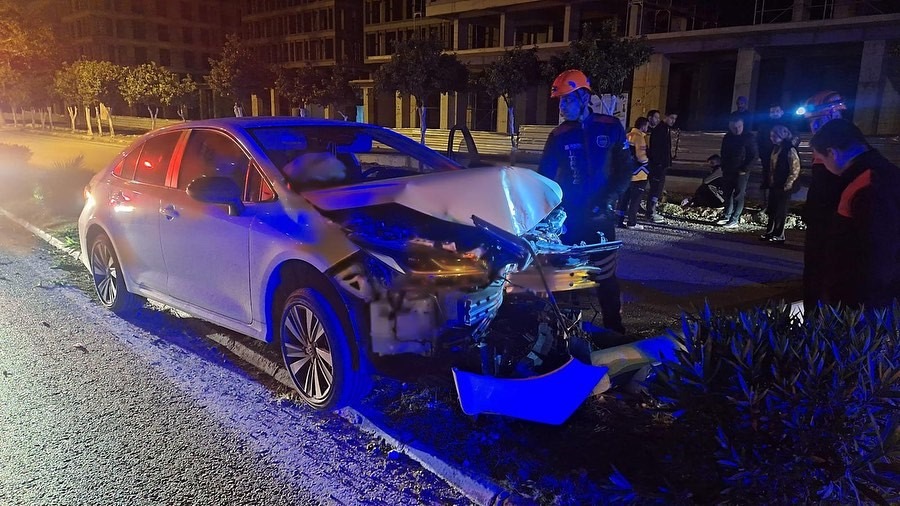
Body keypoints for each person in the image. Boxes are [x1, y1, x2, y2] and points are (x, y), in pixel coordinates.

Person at [539, 69, 634, 334]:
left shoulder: (610, 127)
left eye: (567, 99)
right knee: (564, 279)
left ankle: (615, 330)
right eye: (560, 101)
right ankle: (564, 334)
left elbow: (625, 170)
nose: (562, 106)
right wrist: (547, 211)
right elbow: (544, 178)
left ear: (584, 97)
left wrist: (607, 200)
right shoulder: (558, 135)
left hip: (601, 218)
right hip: (569, 219)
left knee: (605, 277)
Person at [808, 119, 900, 308]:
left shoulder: (867, 184)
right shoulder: (885, 173)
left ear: (832, 153)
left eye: (822, 160)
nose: (824, 166)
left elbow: (877, 252)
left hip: (862, 300)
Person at [800, 91, 848, 314]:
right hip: (821, 223)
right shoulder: (825, 148)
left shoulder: (839, 149)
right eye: (812, 122)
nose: (814, 127)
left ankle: (818, 321)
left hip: (829, 226)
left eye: (817, 121)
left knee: (822, 278)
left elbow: (829, 191)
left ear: (833, 117)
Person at [716, 114, 758, 228]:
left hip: (741, 171)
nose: (737, 129)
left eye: (739, 126)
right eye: (734, 127)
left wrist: (745, 169)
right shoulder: (728, 137)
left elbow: (753, 155)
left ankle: (735, 218)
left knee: (739, 194)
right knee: (727, 193)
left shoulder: (748, 137)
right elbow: (724, 153)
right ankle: (727, 215)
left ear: (743, 125)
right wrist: (723, 166)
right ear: (730, 126)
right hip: (728, 169)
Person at [760, 125, 800, 243]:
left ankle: (779, 234)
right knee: (772, 209)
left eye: (774, 136)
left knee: (780, 210)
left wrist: (789, 183)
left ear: (781, 136)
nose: (771, 138)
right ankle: (770, 232)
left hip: (784, 185)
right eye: (771, 136)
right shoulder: (776, 148)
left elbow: (795, 168)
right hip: (775, 183)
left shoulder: (789, 149)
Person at [618, 117, 650, 230]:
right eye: (647, 126)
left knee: (623, 199)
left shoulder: (627, 135)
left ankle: (619, 220)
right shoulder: (640, 138)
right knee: (635, 200)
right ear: (643, 126)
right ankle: (632, 222)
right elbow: (641, 157)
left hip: (627, 173)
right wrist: (648, 162)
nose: (647, 128)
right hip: (639, 174)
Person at [645, 110, 677, 223]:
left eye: (675, 119)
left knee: (657, 189)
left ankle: (651, 210)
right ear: (666, 117)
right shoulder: (661, 130)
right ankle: (651, 212)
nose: (673, 121)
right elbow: (657, 148)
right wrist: (659, 163)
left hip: (661, 164)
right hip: (658, 165)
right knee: (655, 188)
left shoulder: (664, 129)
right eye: (672, 118)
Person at [756, 104, 786, 201]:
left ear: (782, 112)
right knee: (766, 179)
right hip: (767, 157)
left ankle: (777, 202)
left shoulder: (788, 124)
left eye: (777, 111)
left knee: (780, 180)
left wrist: (787, 149)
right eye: (772, 112)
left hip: (782, 158)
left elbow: (795, 138)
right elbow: (759, 140)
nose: (775, 113)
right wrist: (761, 154)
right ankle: (765, 203)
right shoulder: (764, 126)